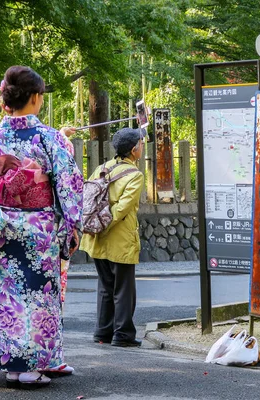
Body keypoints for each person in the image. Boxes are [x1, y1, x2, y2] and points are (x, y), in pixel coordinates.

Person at [0, 66, 83, 388]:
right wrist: (73, 222)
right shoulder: (49, 137)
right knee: (39, 295)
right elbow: (69, 184)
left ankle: (14, 365)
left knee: (9, 295)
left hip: (2, 228)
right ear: (36, 98)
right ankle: (32, 367)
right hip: (39, 231)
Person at [79, 127, 145, 348]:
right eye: (141, 144)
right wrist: (107, 224)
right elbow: (123, 208)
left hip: (96, 237)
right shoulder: (135, 175)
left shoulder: (102, 168)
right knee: (124, 288)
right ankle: (123, 334)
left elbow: (88, 198)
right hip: (120, 238)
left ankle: (102, 331)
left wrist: (97, 225)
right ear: (134, 149)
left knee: (105, 286)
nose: (142, 147)